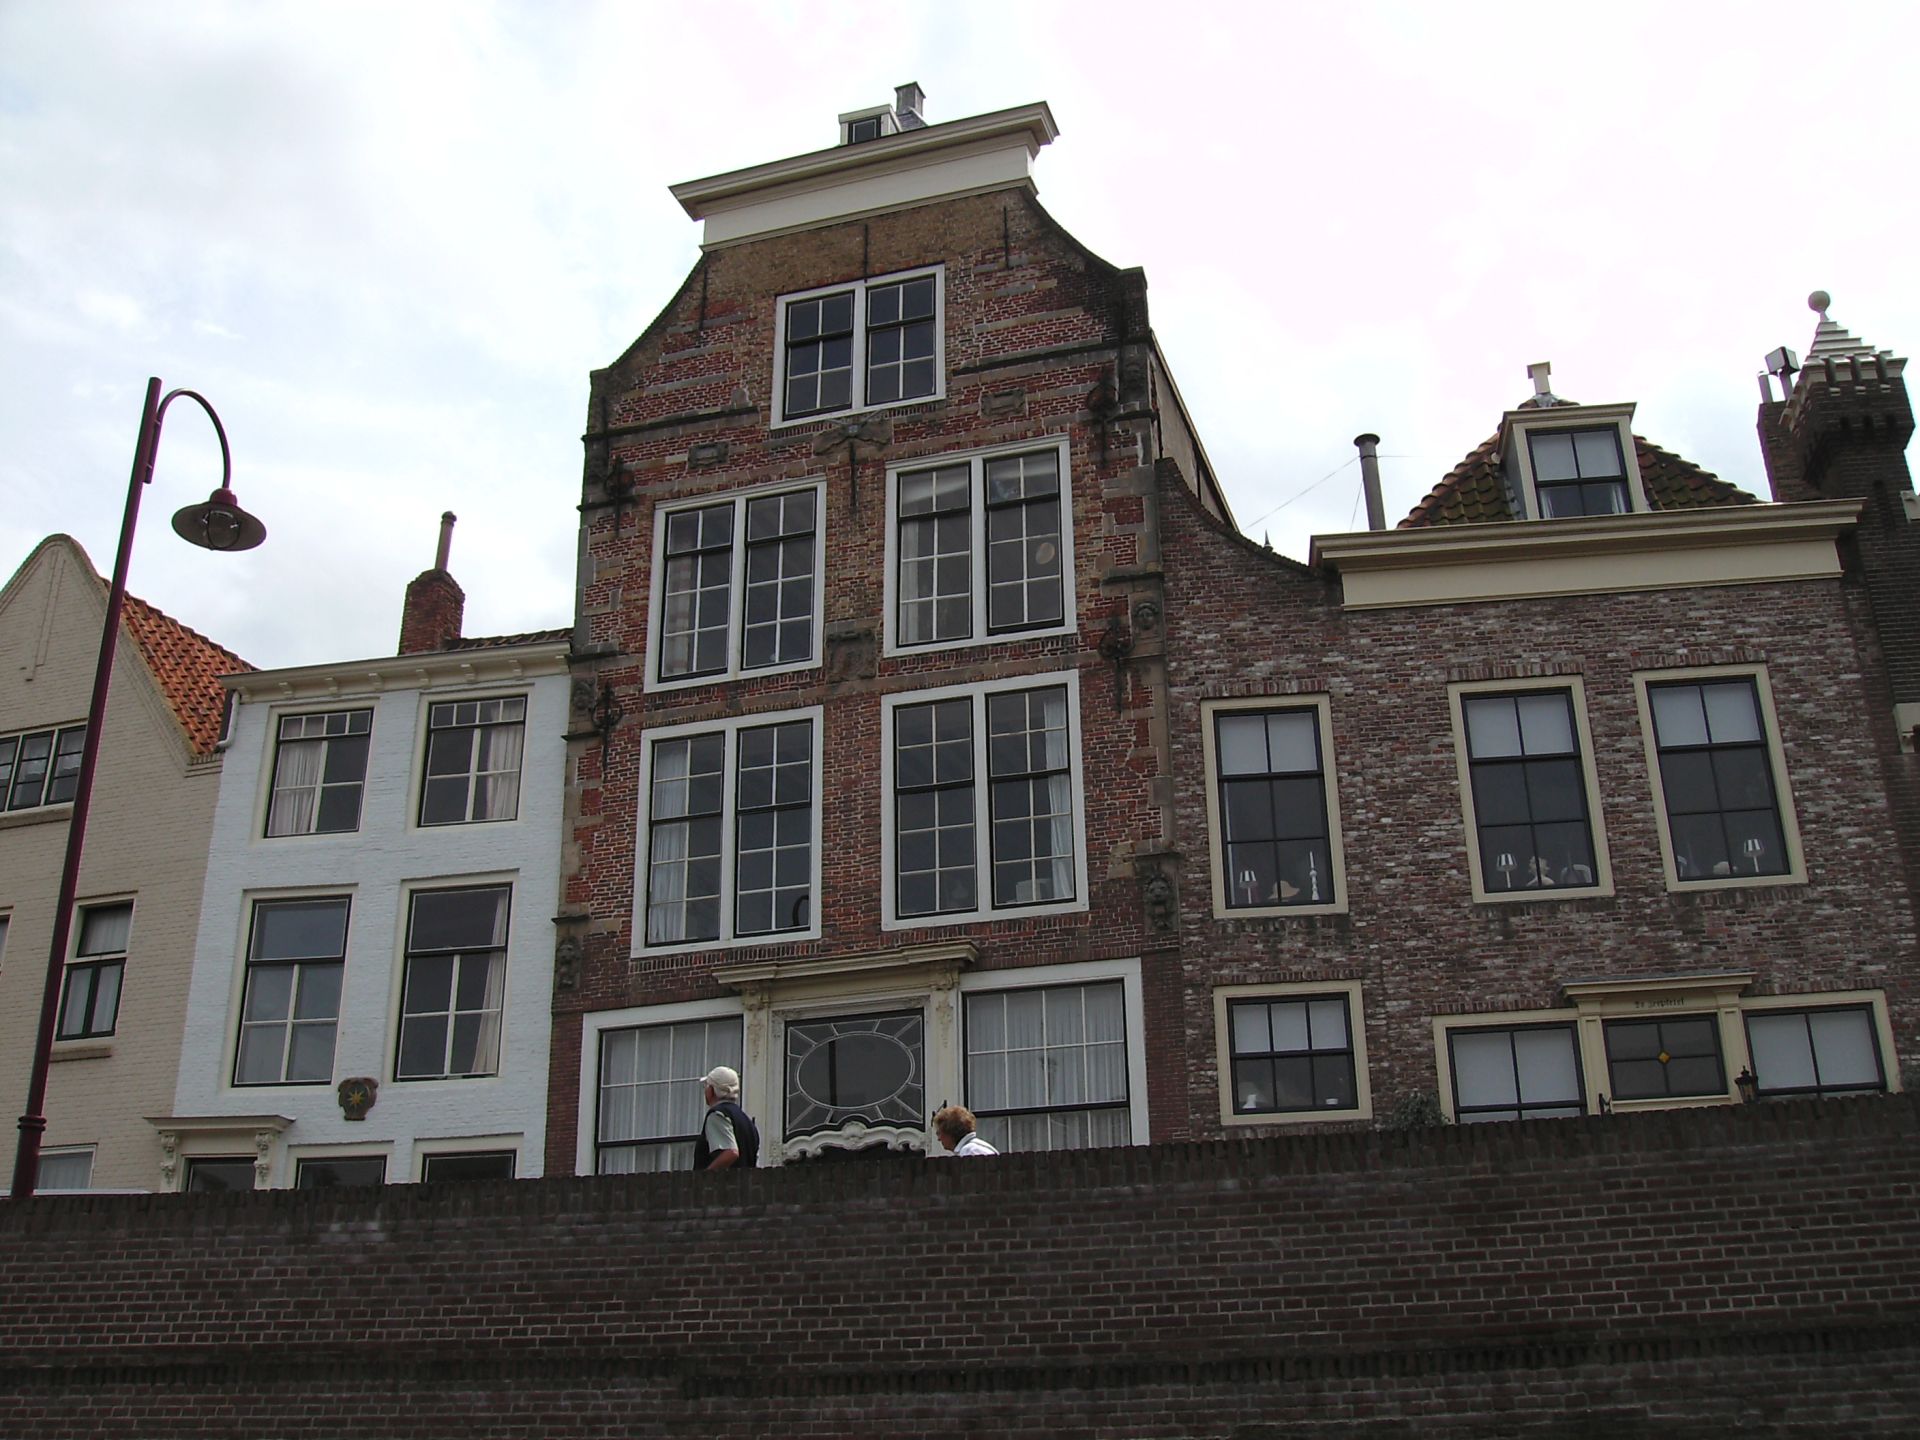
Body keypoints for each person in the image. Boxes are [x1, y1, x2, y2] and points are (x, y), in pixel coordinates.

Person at [692, 1065, 759, 1170]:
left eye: (706, 1086)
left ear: (712, 1090)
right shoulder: (747, 1121)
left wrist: (705, 1176)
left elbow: (730, 1152)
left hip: (725, 1180)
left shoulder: (717, 1115)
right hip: (747, 1179)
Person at [931, 1104, 997, 1157]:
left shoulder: (970, 1151)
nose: (939, 1139)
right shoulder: (973, 1148)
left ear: (949, 1131)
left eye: (939, 1133)